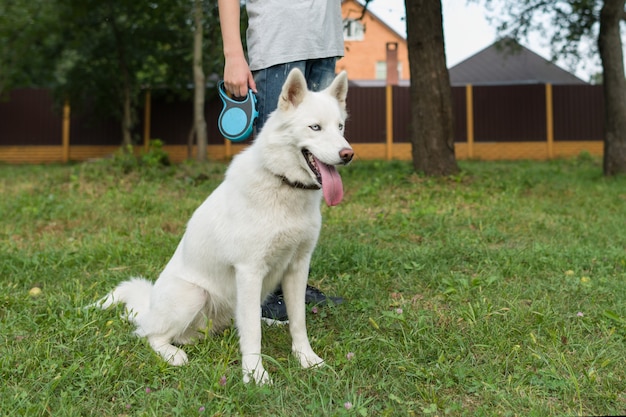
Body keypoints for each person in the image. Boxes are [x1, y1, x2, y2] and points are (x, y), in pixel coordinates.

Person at [218, 0, 345, 322]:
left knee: (310, 169)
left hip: (324, 43)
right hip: (278, 45)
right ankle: (263, 293)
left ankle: (292, 286)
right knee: (275, 175)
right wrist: (233, 54)